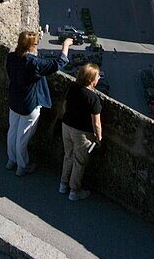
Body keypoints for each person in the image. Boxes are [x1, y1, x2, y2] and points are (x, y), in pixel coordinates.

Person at [6, 31, 73, 177]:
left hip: (14, 100)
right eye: (36, 43)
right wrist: (66, 45)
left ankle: (11, 160)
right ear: (31, 46)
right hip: (29, 104)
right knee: (22, 138)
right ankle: (22, 166)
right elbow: (59, 62)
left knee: (12, 132)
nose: (37, 46)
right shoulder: (34, 63)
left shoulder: (11, 57)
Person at [59, 63, 103, 201]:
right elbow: (96, 123)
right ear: (91, 79)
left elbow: (65, 106)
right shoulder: (93, 98)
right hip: (82, 133)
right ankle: (74, 191)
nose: (99, 78)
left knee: (68, 156)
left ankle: (63, 184)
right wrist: (99, 138)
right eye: (97, 76)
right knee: (79, 162)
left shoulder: (73, 87)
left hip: (66, 126)